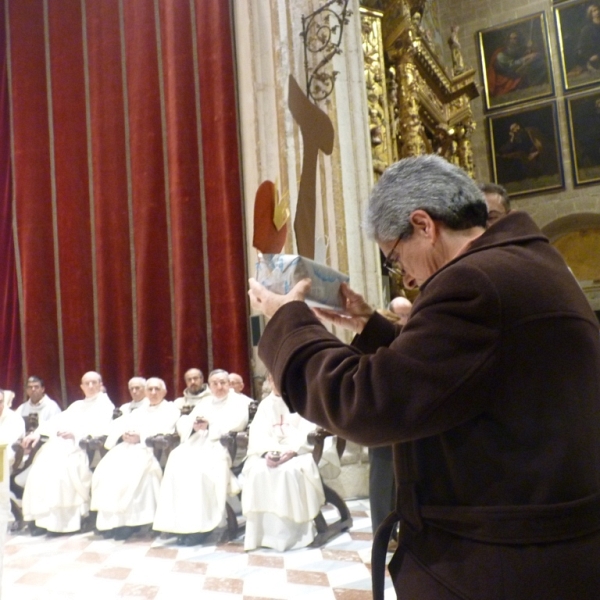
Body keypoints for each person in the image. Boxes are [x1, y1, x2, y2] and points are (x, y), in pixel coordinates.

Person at [248, 154, 600, 600]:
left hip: (497, 565)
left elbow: (368, 404)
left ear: (424, 224)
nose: (407, 279)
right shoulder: (530, 262)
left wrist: (288, 321)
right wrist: (368, 324)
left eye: (395, 258)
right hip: (543, 546)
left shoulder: (472, 282)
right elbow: (455, 373)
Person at [153, 369, 248, 545]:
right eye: (215, 383)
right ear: (209, 386)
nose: (219, 387)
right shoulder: (205, 403)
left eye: (223, 382)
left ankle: (201, 527)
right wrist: (194, 425)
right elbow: (185, 421)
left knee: (199, 473)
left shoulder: (239, 402)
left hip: (219, 447)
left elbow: (238, 423)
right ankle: (181, 525)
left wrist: (210, 424)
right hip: (197, 444)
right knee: (175, 461)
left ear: (228, 383)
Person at [21, 371, 115, 535]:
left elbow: (103, 430)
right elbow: (56, 421)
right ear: (82, 387)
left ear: (100, 385)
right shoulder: (77, 405)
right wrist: (37, 433)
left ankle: (62, 523)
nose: (91, 386)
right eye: (87, 383)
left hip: (82, 448)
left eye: (94, 383)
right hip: (60, 446)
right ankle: (43, 519)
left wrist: (76, 435)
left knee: (61, 472)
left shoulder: (106, 406)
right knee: (39, 469)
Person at [241, 375, 325, 551]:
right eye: (273, 380)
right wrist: (267, 453)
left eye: (280, 378)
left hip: (298, 452)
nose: (277, 383)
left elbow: (310, 429)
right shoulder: (265, 405)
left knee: (287, 473)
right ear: (269, 382)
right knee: (257, 471)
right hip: (271, 451)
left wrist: (293, 450)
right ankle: (263, 535)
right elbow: (258, 433)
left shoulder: (300, 399)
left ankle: (293, 535)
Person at [91, 377, 180, 540]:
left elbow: (166, 431)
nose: (153, 393)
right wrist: (123, 434)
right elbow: (120, 425)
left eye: (157, 389)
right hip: (126, 448)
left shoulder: (170, 409)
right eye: (150, 389)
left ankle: (131, 522)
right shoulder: (139, 410)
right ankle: (111, 522)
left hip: (148, 449)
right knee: (105, 471)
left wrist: (141, 437)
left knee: (130, 473)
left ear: (164, 392)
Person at [488, 30, 546, 98]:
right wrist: (527, 57)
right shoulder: (500, 54)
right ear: (508, 40)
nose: (514, 41)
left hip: (518, 72)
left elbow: (523, 56)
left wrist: (530, 50)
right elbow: (513, 64)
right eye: (511, 38)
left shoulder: (518, 49)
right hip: (507, 77)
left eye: (516, 38)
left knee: (540, 62)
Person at [578, 4, 600, 73]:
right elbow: (583, 48)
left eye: (598, 9)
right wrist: (592, 57)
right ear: (591, 14)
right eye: (594, 11)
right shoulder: (587, 30)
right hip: (596, 62)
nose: (597, 12)